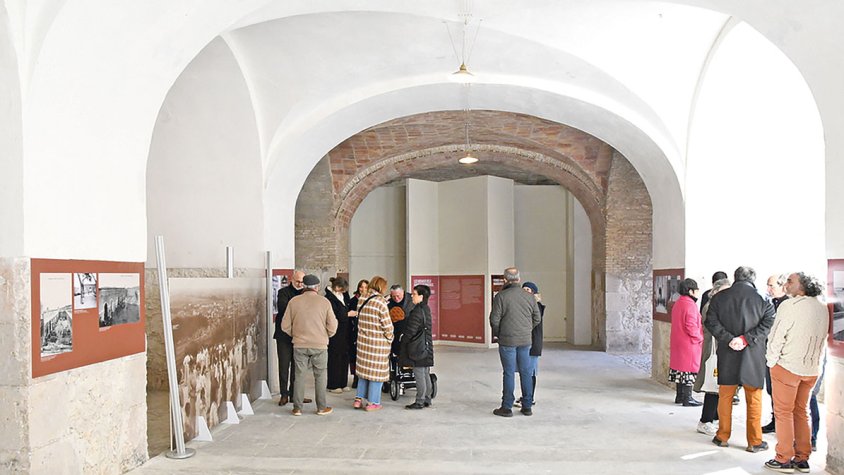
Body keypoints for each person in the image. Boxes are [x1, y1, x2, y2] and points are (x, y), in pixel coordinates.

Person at [705, 266, 775, 452]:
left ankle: (722, 436)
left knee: (725, 396)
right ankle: (754, 441)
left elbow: (710, 321)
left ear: (735, 278)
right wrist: (746, 339)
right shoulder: (762, 299)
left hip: (728, 353)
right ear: (753, 279)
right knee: (754, 398)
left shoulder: (720, 297)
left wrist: (729, 339)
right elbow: (768, 323)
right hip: (753, 354)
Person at [763, 272, 828, 473]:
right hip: (811, 369)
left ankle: (783, 458)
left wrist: (771, 362)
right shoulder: (822, 306)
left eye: (791, 281)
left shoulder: (789, 306)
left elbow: (776, 337)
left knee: (783, 413)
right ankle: (802, 458)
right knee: (802, 412)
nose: (786, 284)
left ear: (803, 287)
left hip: (787, 366)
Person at [281, 274, 337, 416]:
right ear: (317, 287)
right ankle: (321, 408)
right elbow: (332, 325)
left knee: (299, 375)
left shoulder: (294, 301)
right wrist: (326, 335)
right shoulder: (324, 302)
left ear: (303, 287)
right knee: (320, 375)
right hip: (319, 345)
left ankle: (297, 408)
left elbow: (284, 325)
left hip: (299, 345)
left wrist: (296, 335)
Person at [489, 267, 541, 417]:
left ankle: (506, 407)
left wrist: (501, 333)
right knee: (526, 372)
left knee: (509, 373)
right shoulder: (529, 297)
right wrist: (526, 329)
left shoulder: (501, 296)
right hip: (525, 341)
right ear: (518, 279)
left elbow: (494, 320)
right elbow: (537, 318)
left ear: (505, 280)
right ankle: (527, 406)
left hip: (507, 341)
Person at [694, 278, 731, 435]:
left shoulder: (722, 307)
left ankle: (714, 417)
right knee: (712, 386)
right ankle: (705, 420)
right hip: (713, 351)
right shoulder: (711, 307)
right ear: (715, 291)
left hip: (720, 351)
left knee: (718, 387)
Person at [353, 276, 394, 411]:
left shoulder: (362, 298)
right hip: (377, 345)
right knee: (376, 374)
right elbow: (387, 326)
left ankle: (358, 400)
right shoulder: (381, 303)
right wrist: (390, 338)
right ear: (381, 287)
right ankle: (373, 403)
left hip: (363, 343)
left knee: (364, 373)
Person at [274, 270, 308, 407]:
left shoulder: (305, 293)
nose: (300, 284)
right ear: (291, 280)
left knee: (297, 367)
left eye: (302, 282)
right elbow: (283, 308)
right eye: (297, 281)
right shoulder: (283, 292)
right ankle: (284, 394)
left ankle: (296, 395)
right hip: (284, 335)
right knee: (284, 366)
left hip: (300, 335)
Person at [669, 278, 704, 407]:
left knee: (680, 370)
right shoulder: (690, 305)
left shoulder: (678, 303)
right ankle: (687, 398)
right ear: (690, 291)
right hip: (688, 343)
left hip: (678, 342)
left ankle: (680, 395)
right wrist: (699, 338)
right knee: (689, 370)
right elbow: (691, 326)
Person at [398, 284, 434, 409]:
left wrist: (403, 341)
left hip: (417, 348)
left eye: (414, 294)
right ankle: (427, 399)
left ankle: (419, 401)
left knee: (419, 374)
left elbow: (411, 331)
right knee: (425, 373)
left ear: (421, 296)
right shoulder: (426, 309)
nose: (412, 296)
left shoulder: (417, 311)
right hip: (425, 345)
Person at [762, 273, 790, 434]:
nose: (768, 289)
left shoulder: (789, 305)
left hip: (783, 356)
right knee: (771, 390)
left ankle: (783, 424)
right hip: (770, 353)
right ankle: (775, 420)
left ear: (782, 286)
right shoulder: (771, 303)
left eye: (771, 286)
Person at [515, 281, 544, 408]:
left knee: (530, 372)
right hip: (525, 342)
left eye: (528, 289)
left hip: (532, 344)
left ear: (534, 293)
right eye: (524, 289)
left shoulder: (536, 306)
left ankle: (529, 398)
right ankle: (526, 396)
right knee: (526, 371)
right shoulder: (527, 305)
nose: (525, 291)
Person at [325, 276, 353, 393]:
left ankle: (343, 382)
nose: (344, 292)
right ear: (337, 287)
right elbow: (335, 315)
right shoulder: (329, 298)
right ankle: (333, 384)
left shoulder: (344, 296)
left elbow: (348, 306)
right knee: (334, 357)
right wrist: (347, 314)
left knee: (345, 356)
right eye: (342, 289)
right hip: (335, 331)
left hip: (345, 330)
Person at [347, 279, 368, 389]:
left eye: (365, 287)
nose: (363, 289)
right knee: (354, 355)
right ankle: (355, 377)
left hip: (366, 332)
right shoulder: (353, 300)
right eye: (361, 287)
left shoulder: (370, 300)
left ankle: (364, 378)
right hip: (354, 331)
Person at [388, 284, 416, 357]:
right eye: (394, 296)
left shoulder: (412, 300)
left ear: (403, 292)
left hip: (408, 332)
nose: (396, 298)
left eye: (398, 296)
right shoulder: (388, 301)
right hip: (394, 333)